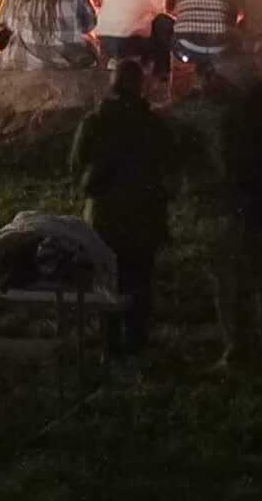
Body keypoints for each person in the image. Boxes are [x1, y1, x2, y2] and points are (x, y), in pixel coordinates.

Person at [66, 55, 179, 356]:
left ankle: (110, 344)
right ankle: (137, 344)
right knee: (140, 281)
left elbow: (76, 164)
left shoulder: (94, 122)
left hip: (103, 216)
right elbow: (171, 165)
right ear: (140, 86)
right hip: (145, 215)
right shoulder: (153, 124)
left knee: (107, 280)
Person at [199, 57, 262, 367]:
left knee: (231, 279)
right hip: (259, 201)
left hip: (231, 203)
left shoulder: (229, 119)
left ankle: (239, 347)